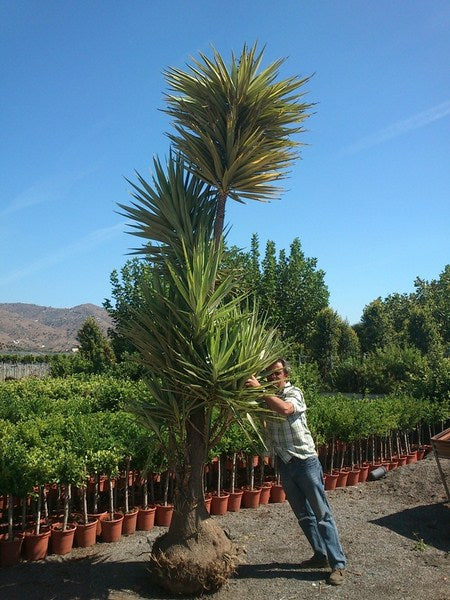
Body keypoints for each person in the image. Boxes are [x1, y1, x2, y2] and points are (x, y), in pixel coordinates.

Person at [246, 358, 347, 586]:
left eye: (278, 373)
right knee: (303, 514)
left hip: (305, 461)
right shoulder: (265, 399)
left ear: (285, 375)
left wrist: (259, 390)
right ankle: (320, 555)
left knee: (322, 513)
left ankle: (338, 564)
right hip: (284, 463)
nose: (274, 378)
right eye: (270, 375)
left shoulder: (294, 393)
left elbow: (284, 409)